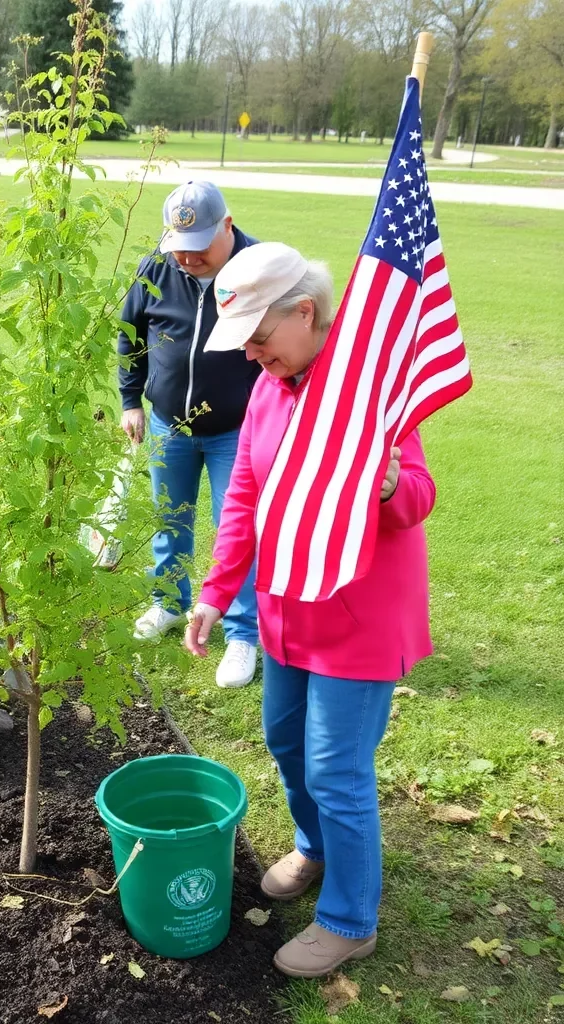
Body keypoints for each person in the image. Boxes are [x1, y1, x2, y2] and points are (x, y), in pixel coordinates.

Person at [185, 242, 435, 977]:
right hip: (287, 611)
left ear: (305, 311)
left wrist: (390, 485)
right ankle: (316, 846)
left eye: (259, 338)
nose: (252, 355)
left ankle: (351, 920)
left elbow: (418, 495)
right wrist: (214, 591)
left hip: (358, 617)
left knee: (336, 769)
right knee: (287, 741)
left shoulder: (369, 387)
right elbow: (245, 498)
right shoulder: (270, 386)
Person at [118, 180, 261, 688]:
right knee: (168, 518)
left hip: (237, 432)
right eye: (179, 248)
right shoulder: (156, 267)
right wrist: (130, 400)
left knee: (236, 532)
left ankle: (243, 632)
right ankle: (169, 603)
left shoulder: (258, 269)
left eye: (199, 247)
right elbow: (130, 334)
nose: (188, 258)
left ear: (227, 226)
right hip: (167, 424)